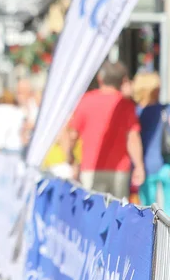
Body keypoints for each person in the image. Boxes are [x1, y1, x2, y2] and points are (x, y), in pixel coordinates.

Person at [67, 61, 145, 199]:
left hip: (91, 168)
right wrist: (139, 165)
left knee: (93, 211)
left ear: (100, 78)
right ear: (122, 81)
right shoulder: (126, 105)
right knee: (117, 213)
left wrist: (70, 156)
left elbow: (73, 134)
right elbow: (132, 138)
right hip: (120, 170)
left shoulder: (86, 100)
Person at [133, 72, 170, 208]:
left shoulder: (135, 112)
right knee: (167, 211)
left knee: (148, 210)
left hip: (144, 168)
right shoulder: (166, 109)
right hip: (166, 165)